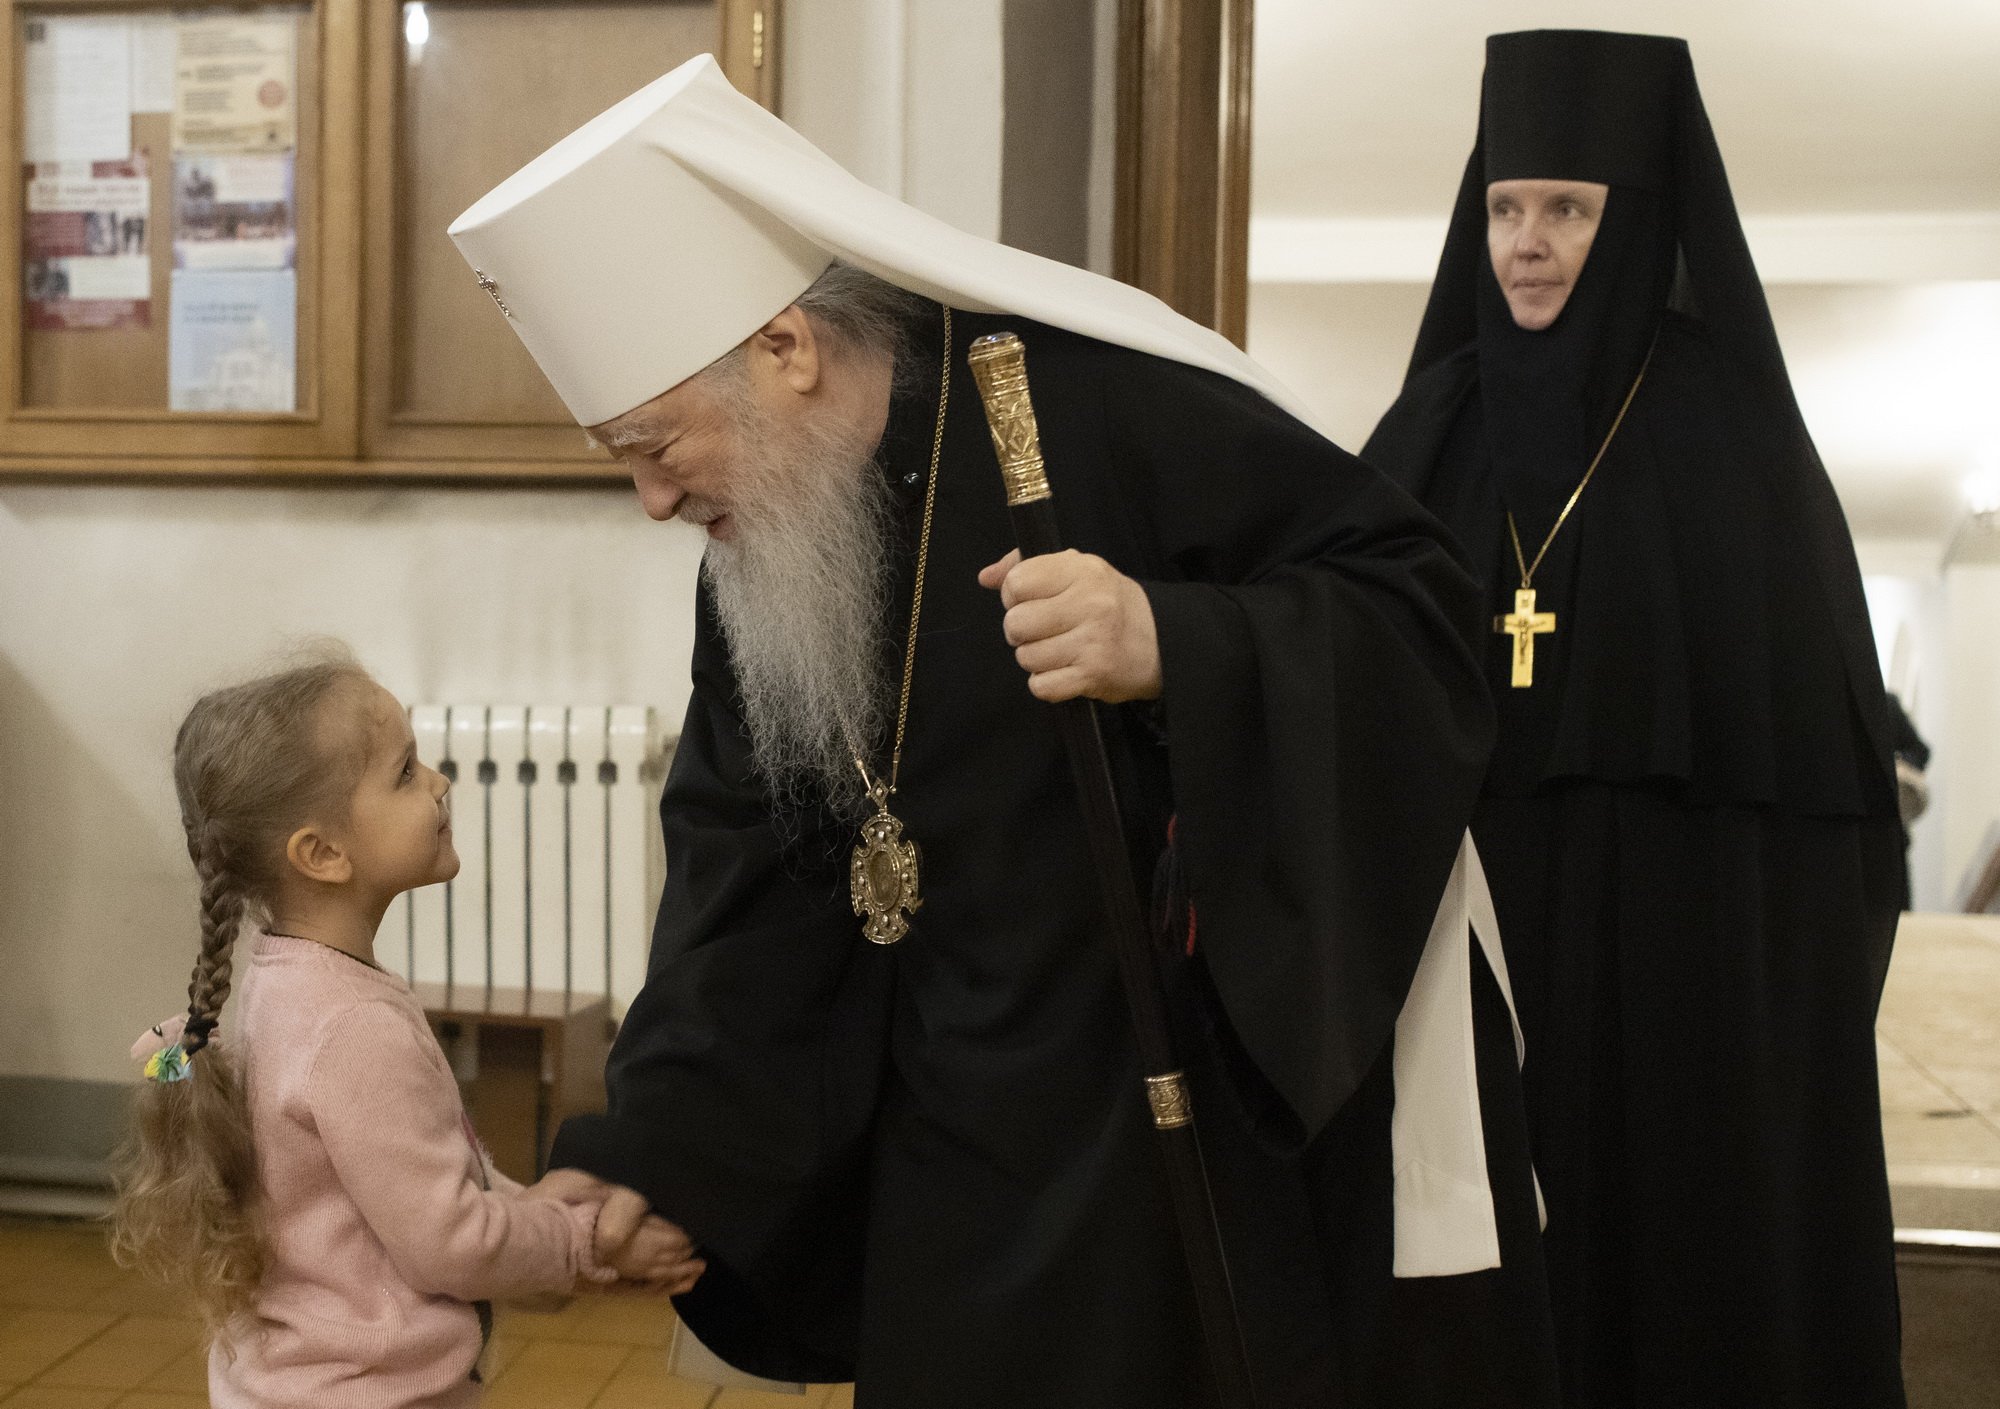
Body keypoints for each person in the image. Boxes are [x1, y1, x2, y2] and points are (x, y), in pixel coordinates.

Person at [448, 55, 1558, 1407]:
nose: (651, 500)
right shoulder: (768, 548)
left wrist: (1171, 640)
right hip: (946, 1133)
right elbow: (742, 871)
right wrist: (656, 1147)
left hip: (1164, 1116)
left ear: (784, 350)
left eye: (655, 444)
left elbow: (1412, 610)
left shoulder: (1087, 397)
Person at [1362, 30, 1907, 1409]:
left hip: (1681, 985)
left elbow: (1815, 799)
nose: (1528, 243)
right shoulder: (1427, 432)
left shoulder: (1736, 443)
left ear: (1640, 215)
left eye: (1567, 208)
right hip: (1465, 981)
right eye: (1505, 206)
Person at [111, 651, 704, 1408]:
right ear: (323, 853)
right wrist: (583, 1245)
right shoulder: (353, 1027)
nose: (439, 782)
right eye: (404, 772)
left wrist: (547, 1212)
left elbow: (428, 1187)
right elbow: (450, 1242)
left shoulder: (284, 979)